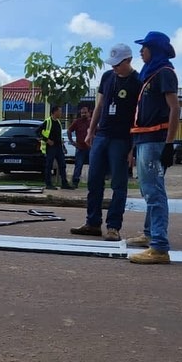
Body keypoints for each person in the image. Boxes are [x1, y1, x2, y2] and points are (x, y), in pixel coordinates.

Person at [70, 44, 142, 241]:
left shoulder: (138, 81)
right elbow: (100, 105)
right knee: (94, 180)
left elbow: (138, 116)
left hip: (122, 139)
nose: (114, 68)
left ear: (128, 61)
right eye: (112, 64)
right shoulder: (107, 77)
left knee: (119, 184)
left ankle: (113, 227)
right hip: (102, 135)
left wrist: (132, 148)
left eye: (118, 64)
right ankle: (93, 223)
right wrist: (91, 131)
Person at [126, 31, 181, 264]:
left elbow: (175, 109)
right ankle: (150, 235)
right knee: (148, 190)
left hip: (156, 139)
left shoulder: (164, 73)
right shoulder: (150, 75)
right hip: (143, 139)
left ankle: (159, 247)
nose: (141, 51)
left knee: (154, 191)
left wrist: (169, 144)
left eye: (145, 47)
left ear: (155, 49)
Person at [40, 105, 73, 190]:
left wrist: (62, 142)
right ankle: (48, 184)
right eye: (60, 111)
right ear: (55, 112)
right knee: (49, 165)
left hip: (59, 147)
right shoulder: (47, 122)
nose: (61, 113)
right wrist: (47, 140)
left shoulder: (58, 122)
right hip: (51, 147)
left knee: (62, 165)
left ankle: (64, 183)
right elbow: (37, 132)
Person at [66, 105, 91, 189]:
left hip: (91, 148)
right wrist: (72, 142)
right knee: (78, 166)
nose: (83, 114)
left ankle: (92, 183)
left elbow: (98, 131)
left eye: (85, 113)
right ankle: (75, 182)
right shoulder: (77, 122)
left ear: (89, 113)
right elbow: (69, 130)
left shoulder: (92, 122)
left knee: (94, 166)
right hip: (80, 148)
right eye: (82, 113)